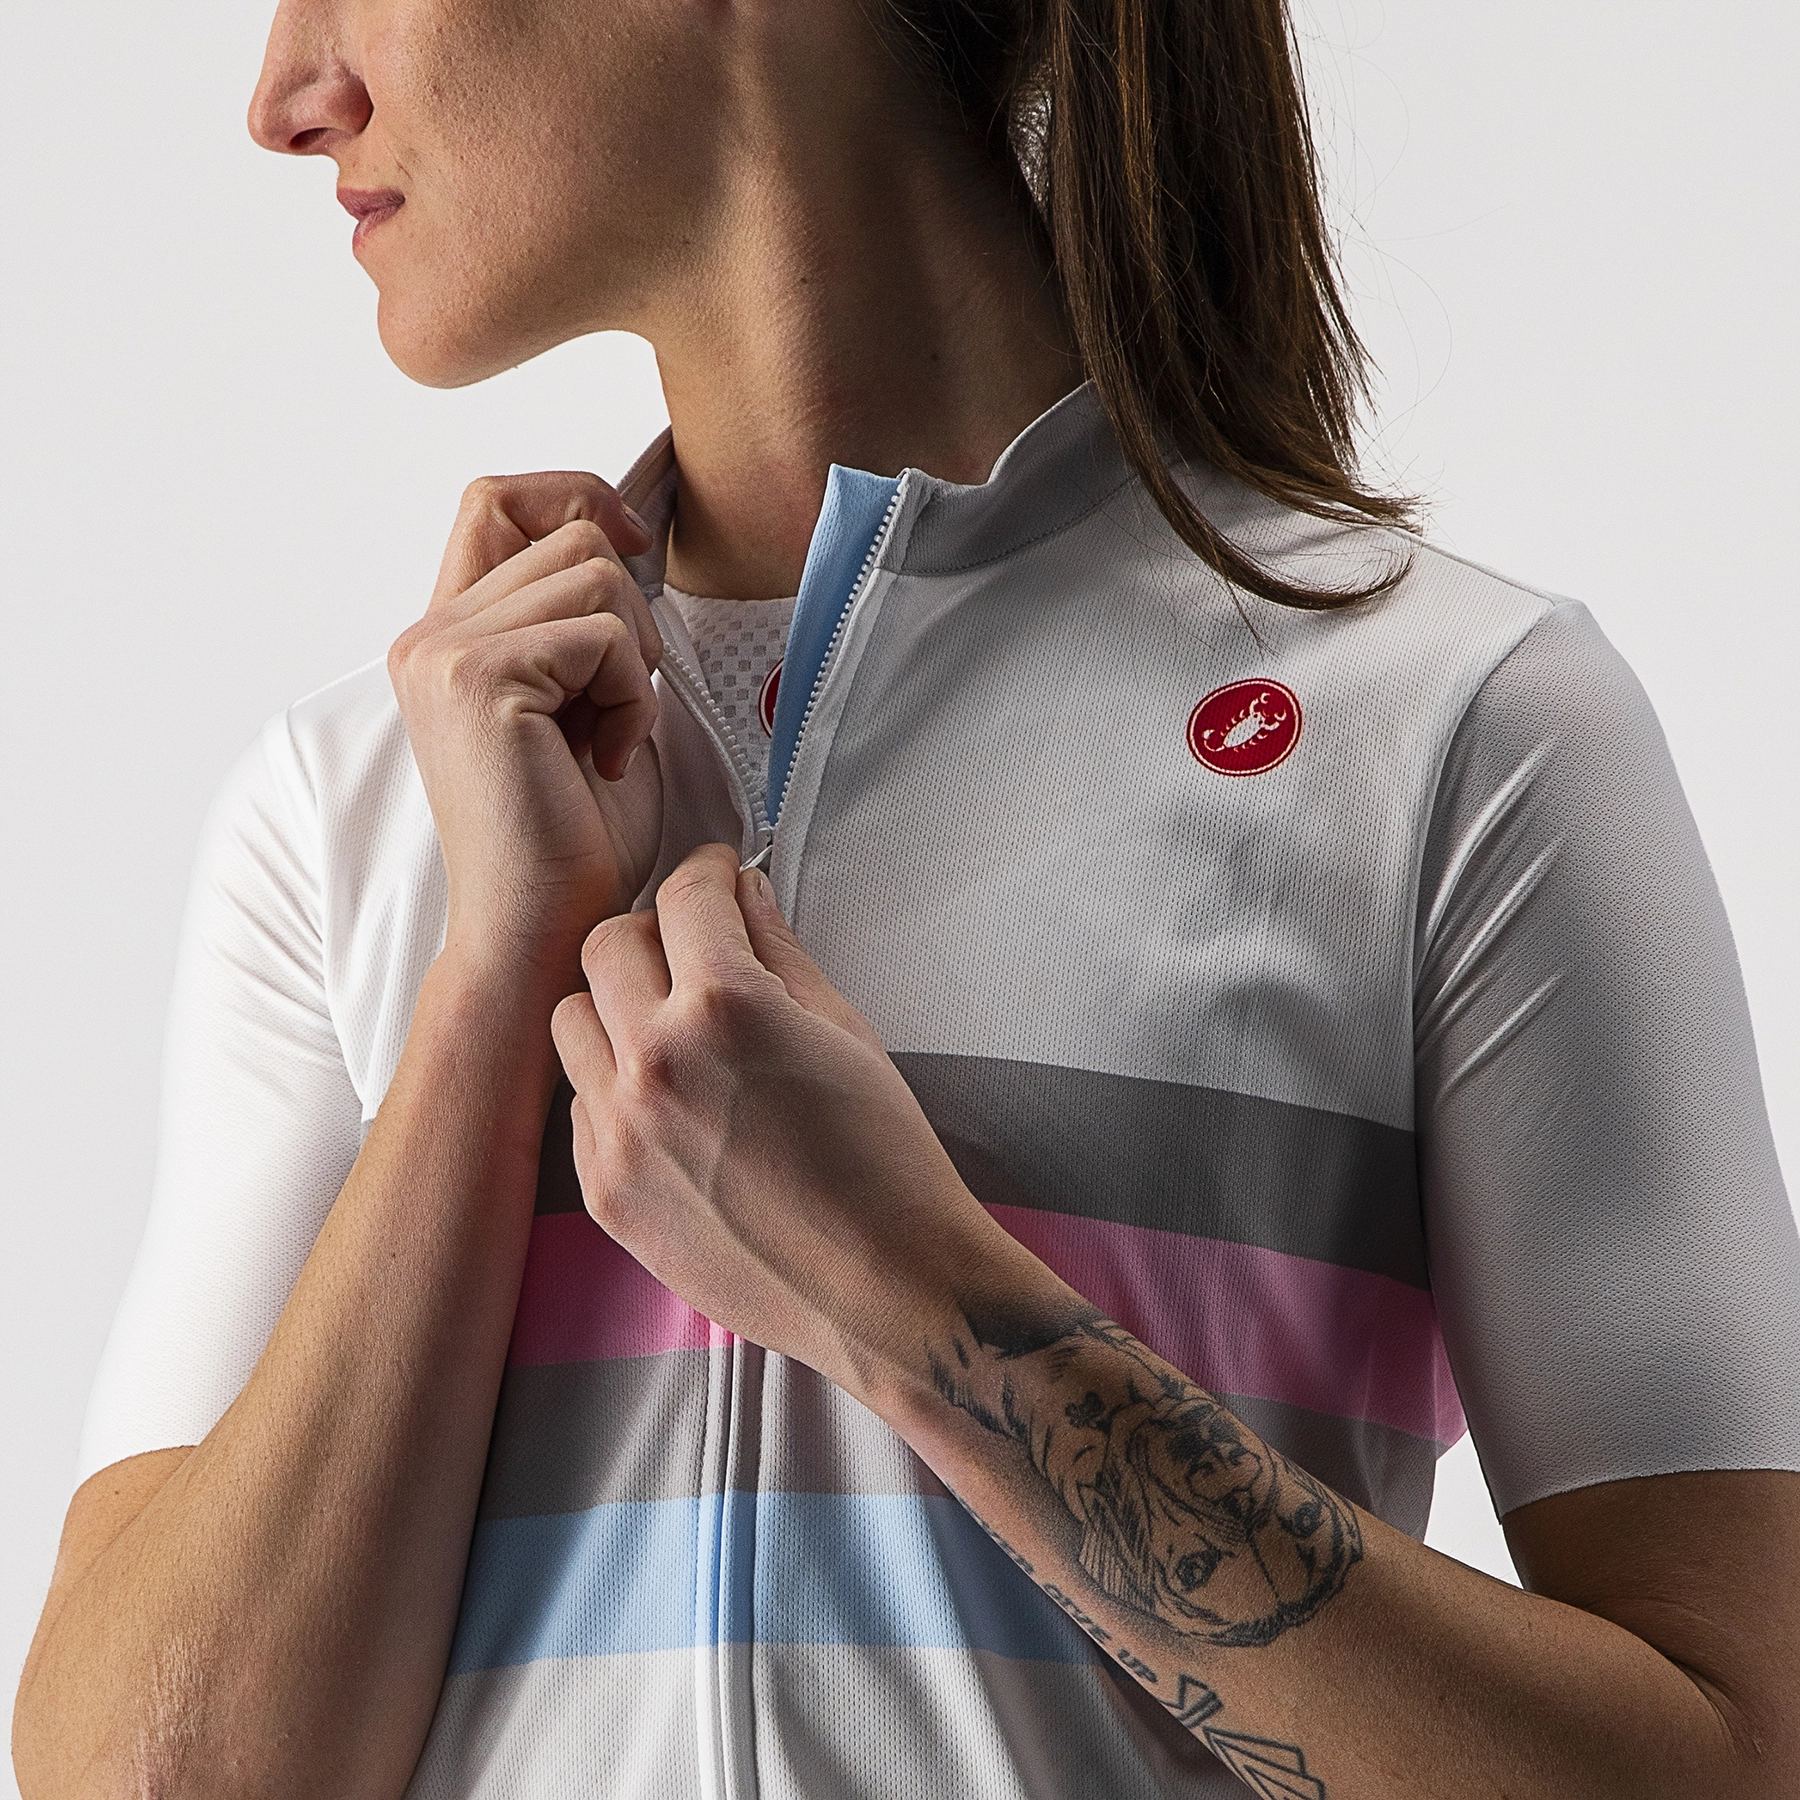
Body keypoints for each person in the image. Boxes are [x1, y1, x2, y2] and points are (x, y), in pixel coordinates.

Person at [12, 0, 1800, 1791]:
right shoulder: (358, 798)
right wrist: (493, 983)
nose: (285, 96)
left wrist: (903, 1295)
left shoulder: (1454, 728)